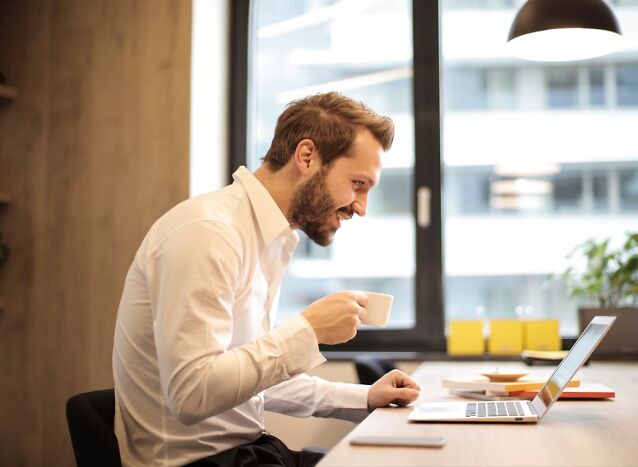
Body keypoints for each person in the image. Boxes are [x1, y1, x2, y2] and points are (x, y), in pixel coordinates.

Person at [112, 92, 421, 467]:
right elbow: (192, 394)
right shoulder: (209, 233)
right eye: (357, 184)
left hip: (246, 454)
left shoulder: (269, 237)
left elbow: (248, 380)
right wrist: (306, 330)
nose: (361, 207)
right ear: (306, 157)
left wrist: (364, 398)